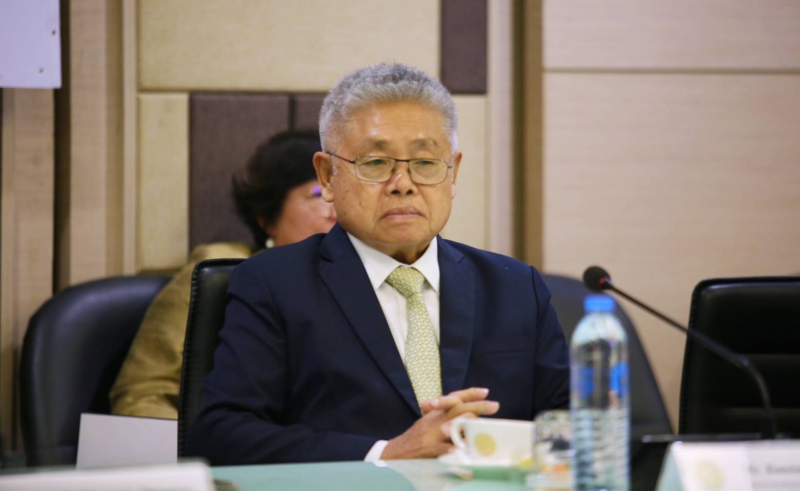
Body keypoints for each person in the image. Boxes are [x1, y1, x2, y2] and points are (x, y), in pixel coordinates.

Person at [187, 63, 570, 465]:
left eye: (425, 163)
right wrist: (387, 453)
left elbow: (574, 427)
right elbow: (221, 436)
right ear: (328, 176)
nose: (403, 184)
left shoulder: (516, 287)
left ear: (453, 173)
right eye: (375, 163)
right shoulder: (274, 283)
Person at [110, 131, 337, 419]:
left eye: (343, 195)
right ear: (267, 218)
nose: (337, 211)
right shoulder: (221, 271)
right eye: (319, 195)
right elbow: (144, 394)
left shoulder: (373, 277)